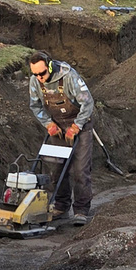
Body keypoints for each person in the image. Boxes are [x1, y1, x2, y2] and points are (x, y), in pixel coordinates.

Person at [28, 51, 95, 226]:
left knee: (80, 170)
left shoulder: (69, 77)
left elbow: (87, 103)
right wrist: (48, 124)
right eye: (35, 74)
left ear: (49, 66)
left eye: (42, 73)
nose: (39, 77)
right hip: (57, 127)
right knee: (57, 168)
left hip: (80, 125)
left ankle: (81, 210)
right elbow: (35, 106)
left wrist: (76, 126)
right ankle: (61, 205)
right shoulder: (35, 81)